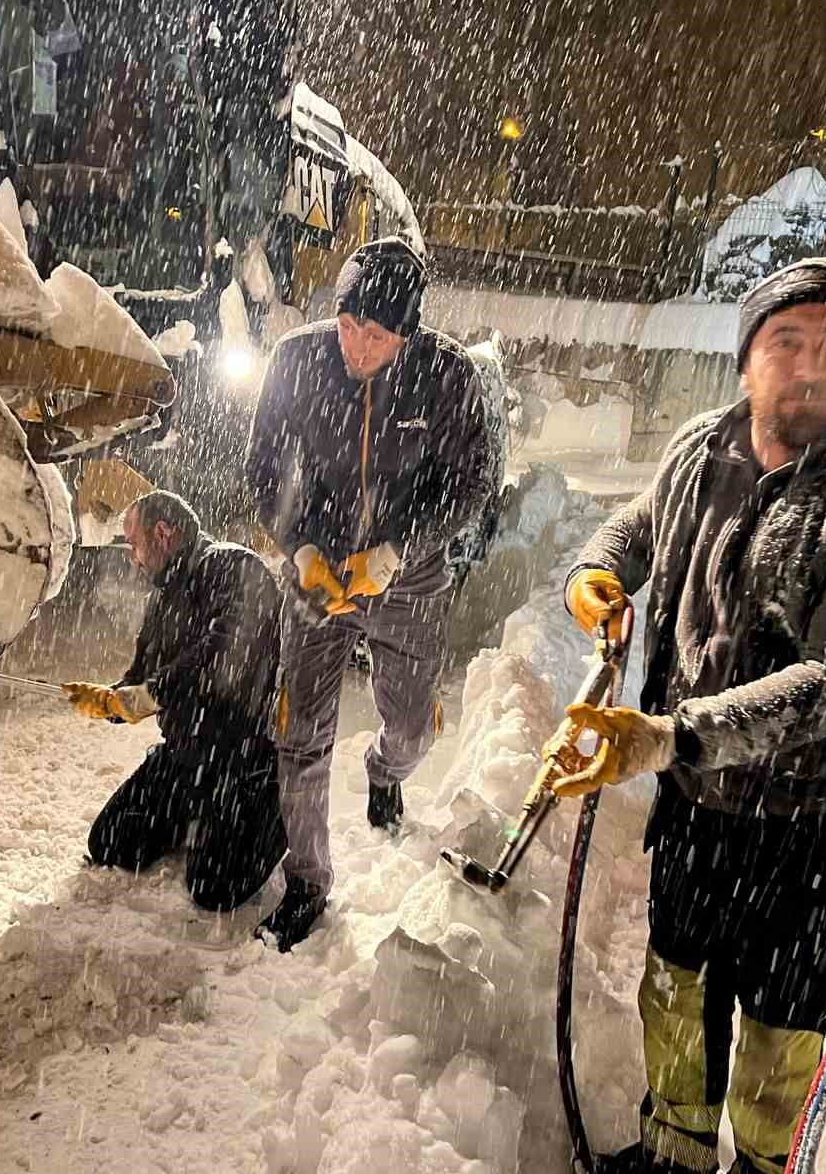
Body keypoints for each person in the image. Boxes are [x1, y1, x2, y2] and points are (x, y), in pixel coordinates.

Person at [555, 257, 826, 1174]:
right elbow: (640, 527)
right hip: (700, 801)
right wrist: (595, 572)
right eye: (786, 341)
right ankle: (674, 1162)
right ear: (747, 359)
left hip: (821, 821)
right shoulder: (703, 449)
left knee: (784, 1026)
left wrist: (670, 736)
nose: (809, 366)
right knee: (679, 983)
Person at [244, 235, 503, 951]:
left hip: (406, 578)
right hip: (319, 573)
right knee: (299, 731)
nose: (358, 346)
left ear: (407, 335)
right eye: (349, 324)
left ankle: (387, 771)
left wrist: (395, 551)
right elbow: (263, 468)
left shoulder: (446, 376)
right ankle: (307, 883)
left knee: (414, 724)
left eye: (378, 335)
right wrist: (299, 548)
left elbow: (473, 483)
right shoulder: (297, 360)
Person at [64, 490, 286, 912]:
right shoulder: (162, 598)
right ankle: (200, 814)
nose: (133, 558)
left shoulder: (234, 567)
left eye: (134, 543)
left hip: (244, 759)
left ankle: (271, 808)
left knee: (213, 889)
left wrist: (148, 695)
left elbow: (220, 653)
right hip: (185, 755)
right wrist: (109, 700)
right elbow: (142, 676)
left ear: (163, 533)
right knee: (110, 842)